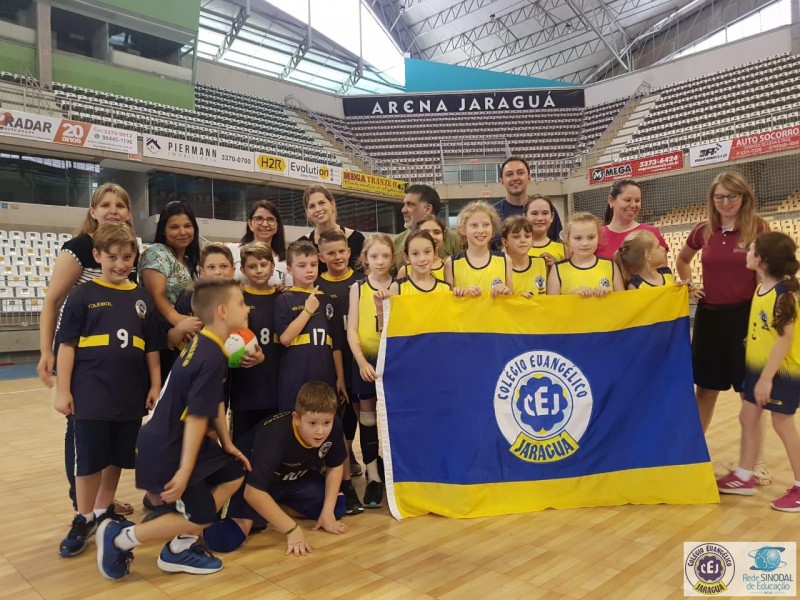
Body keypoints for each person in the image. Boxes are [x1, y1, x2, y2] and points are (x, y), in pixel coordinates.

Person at [96, 279, 252, 580]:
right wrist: (184, 470)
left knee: (234, 472)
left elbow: (213, 403)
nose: (246, 308)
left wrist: (227, 444)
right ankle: (118, 538)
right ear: (222, 311)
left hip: (176, 440)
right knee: (202, 515)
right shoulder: (209, 356)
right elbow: (195, 416)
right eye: (241, 303)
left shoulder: (208, 345)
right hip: (169, 446)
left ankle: (179, 549)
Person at [54, 224, 163, 558]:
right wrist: (63, 390)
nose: (119, 264)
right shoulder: (82, 295)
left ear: (134, 258)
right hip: (90, 395)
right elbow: (67, 345)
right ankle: (83, 517)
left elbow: (151, 349)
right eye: (112, 257)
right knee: (88, 462)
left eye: (127, 257)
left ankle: (103, 512)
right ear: (97, 256)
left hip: (129, 395)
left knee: (117, 457)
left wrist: (155, 383)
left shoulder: (142, 298)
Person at [37, 182, 138, 516]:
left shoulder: (125, 252)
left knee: (111, 428)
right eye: (105, 204)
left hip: (114, 358)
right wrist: (46, 351)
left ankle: (101, 503)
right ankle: (82, 505)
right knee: (80, 427)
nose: (113, 210)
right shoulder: (79, 247)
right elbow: (53, 301)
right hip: (81, 352)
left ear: (128, 213)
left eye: (120, 205)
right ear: (92, 212)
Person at [676, 172, 771, 463]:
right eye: (720, 197)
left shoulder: (758, 228)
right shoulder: (702, 230)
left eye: (732, 196)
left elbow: (764, 274)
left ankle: (755, 463)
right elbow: (682, 260)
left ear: (744, 197)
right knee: (705, 390)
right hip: (710, 319)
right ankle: (693, 454)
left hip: (745, 318)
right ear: (712, 200)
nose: (726, 202)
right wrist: (690, 285)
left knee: (748, 394)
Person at [205, 382, 349, 555]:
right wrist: (292, 529)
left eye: (327, 422)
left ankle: (273, 509)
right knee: (223, 539)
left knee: (337, 507)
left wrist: (327, 513)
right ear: (296, 419)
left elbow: (335, 466)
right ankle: (263, 512)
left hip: (293, 479)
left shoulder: (334, 427)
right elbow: (252, 492)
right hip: (254, 483)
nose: (320, 431)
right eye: (312, 423)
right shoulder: (275, 435)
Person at [716, 232, 800, 511]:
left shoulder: (783, 294)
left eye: (750, 249)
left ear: (761, 260)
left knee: (782, 425)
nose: (746, 252)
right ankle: (744, 476)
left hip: (780, 373)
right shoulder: (761, 286)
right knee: (747, 416)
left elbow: (784, 339)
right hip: (757, 369)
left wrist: (766, 379)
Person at [315, 230, 364, 514]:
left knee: (364, 419)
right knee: (337, 419)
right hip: (332, 363)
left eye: (341, 251)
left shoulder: (361, 281)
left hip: (361, 359)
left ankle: (373, 474)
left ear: (349, 251)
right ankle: (341, 483)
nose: (337, 257)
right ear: (321, 257)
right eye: (330, 253)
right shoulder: (318, 287)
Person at [347, 234, 396, 509]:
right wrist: (362, 362)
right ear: (365, 258)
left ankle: (393, 473)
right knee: (367, 419)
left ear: (393, 258)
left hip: (392, 359)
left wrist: (382, 309)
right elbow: (352, 330)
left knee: (392, 418)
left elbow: (395, 328)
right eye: (374, 256)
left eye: (385, 256)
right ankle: (373, 477)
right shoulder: (358, 287)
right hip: (365, 358)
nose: (380, 261)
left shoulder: (399, 286)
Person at [275, 241, 347, 413]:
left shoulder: (328, 300)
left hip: (325, 375)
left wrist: (341, 377)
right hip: (295, 376)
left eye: (313, 265)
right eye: (302, 265)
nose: (309, 270)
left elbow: (335, 344)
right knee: (294, 423)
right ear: (290, 269)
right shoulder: (285, 299)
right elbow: (285, 338)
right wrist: (307, 310)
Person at [139, 201, 203, 381]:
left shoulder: (190, 261)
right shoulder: (157, 253)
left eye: (187, 226)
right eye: (174, 227)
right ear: (164, 231)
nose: (182, 232)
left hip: (185, 339)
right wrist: (179, 321)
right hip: (162, 340)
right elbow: (155, 295)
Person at [228, 242, 278, 442]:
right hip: (244, 388)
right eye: (252, 266)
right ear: (242, 270)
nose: (259, 270)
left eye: (263, 265)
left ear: (273, 267)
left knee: (272, 444)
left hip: (275, 386)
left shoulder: (283, 297)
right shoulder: (238, 298)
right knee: (243, 444)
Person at [548, 212, 624, 297]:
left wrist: (610, 294)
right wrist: (572, 297)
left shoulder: (611, 266)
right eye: (578, 238)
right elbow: (552, 305)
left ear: (599, 237)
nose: (585, 243)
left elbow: (623, 301)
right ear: (568, 240)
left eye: (591, 237)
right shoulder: (557, 269)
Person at [445, 201, 512, 297]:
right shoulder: (451, 263)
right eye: (474, 225)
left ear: (493, 230)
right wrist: (461, 294)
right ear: (462, 229)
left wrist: (506, 292)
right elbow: (448, 303)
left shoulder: (505, 260)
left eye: (486, 225)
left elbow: (511, 300)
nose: (481, 230)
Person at [393, 185, 460, 272]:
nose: (403, 210)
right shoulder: (398, 241)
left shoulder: (455, 239)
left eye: (410, 204)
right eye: (404, 204)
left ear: (428, 208)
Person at [595, 179, 668, 260]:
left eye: (637, 200)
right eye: (627, 200)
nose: (633, 205)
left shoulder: (651, 232)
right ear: (611, 201)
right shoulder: (596, 235)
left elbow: (663, 270)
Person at [299, 185, 364, 273]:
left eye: (322, 203)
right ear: (307, 212)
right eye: (312, 206)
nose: (318, 209)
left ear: (332, 204)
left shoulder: (357, 239)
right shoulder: (302, 244)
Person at [228, 200, 290, 288]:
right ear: (250, 224)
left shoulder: (286, 258)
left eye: (270, 219)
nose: (265, 224)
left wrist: (284, 289)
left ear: (277, 226)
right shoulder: (232, 251)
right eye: (259, 219)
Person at [501, 217, 547, 297]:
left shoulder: (541, 263)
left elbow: (551, 299)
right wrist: (519, 300)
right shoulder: (499, 267)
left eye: (527, 236)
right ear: (505, 242)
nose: (523, 240)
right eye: (516, 237)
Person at [398, 230, 453, 295]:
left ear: (435, 253)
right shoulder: (397, 287)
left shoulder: (445, 288)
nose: (422, 259)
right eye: (415, 253)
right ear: (407, 257)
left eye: (427, 252)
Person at [397, 215, 451, 281]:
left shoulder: (450, 267)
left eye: (437, 232)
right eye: (425, 232)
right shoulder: (405, 270)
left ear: (443, 236)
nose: (432, 236)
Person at [524, 195, 566, 267]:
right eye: (534, 213)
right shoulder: (514, 249)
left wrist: (557, 266)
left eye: (545, 213)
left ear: (552, 217)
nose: (540, 218)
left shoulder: (564, 249)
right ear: (525, 217)